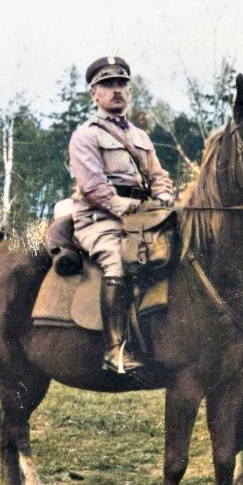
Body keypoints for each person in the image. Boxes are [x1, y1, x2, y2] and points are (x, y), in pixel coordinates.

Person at [68, 56, 174, 374]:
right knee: (118, 258)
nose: (116, 90)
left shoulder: (141, 137)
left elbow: (158, 175)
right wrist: (125, 207)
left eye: (121, 84)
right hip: (100, 219)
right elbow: (92, 186)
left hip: (143, 218)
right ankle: (116, 349)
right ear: (94, 93)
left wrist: (165, 197)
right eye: (108, 84)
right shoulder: (85, 135)